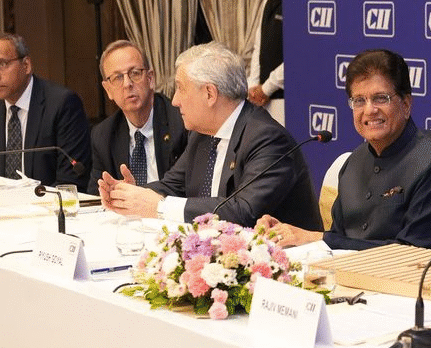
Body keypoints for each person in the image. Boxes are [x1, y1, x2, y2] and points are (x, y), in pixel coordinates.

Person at [258, 48, 431, 252]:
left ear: (406, 104)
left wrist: (315, 237)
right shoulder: (354, 162)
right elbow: (338, 241)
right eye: (359, 101)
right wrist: (288, 234)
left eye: (380, 98)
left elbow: (415, 255)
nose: (369, 110)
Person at [98, 41, 322, 229]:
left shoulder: (267, 139)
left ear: (209, 93)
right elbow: (172, 186)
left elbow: (243, 212)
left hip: (288, 265)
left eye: (181, 88)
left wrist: (159, 206)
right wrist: (127, 193)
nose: (174, 101)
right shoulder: (202, 135)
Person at [87, 40, 187, 195]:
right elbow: (95, 197)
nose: (127, 84)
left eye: (134, 73)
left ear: (150, 79)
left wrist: (134, 193)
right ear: (108, 90)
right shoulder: (103, 135)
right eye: (118, 77)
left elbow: (185, 187)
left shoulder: (181, 123)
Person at [0, 32, 91, 191]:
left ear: (26, 65)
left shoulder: (63, 104)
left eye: (2, 64)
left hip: (45, 209)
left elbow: (70, 180)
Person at [247, 0, 285, 125]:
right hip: (261, 101)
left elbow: (298, 56)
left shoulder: (300, 1)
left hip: (285, 100)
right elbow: (258, 48)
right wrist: (253, 85)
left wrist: (267, 87)